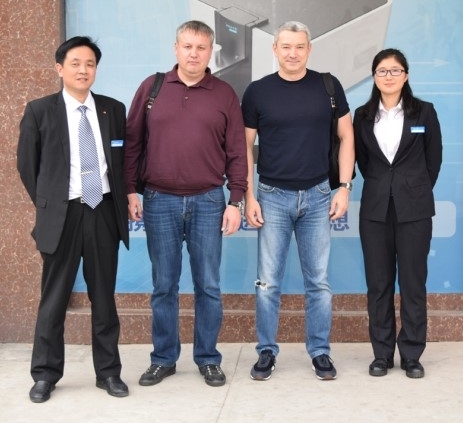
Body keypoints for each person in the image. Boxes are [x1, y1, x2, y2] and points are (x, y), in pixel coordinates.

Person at [124, 20, 247, 387]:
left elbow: (237, 151)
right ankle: (163, 359)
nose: (194, 54)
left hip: (209, 201)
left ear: (211, 52)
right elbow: (133, 142)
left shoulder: (224, 94)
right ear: (176, 48)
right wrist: (130, 190)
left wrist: (236, 200)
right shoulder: (152, 87)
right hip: (158, 200)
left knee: (208, 284)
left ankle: (208, 358)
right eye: (188, 46)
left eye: (201, 47)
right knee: (164, 285)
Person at [17, 36, 129, 403]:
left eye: (90, 64)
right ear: (59, 68)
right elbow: (28, 165)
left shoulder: (113, 110)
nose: (83, 70)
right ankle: (45, 375)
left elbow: (122, 162)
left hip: (102, 212)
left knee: (104, 299)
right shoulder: (40, 111)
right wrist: (49, 205)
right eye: (76, 63)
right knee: (54, 300)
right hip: (62, 216)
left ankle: (108, 372)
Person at [241, 21, 355, 381]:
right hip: (272, 197)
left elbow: (347, 135)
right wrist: (248, 195)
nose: (293, 53)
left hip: (319, 196)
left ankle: (320, 352)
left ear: (309, 49)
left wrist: (345, 187)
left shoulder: (328, 86)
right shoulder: (258, 92)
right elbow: (244, 146)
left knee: (318, 282)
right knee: (268, 283)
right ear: (275, 49)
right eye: (286, 46)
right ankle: (266, 351)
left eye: (300, 46)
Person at [353, 48, 442, 379]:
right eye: (382, 71)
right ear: (374, 77)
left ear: (406, 75)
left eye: (395, 70)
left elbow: (433, 159)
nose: (388, 76)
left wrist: (412, 189)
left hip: (414, 209)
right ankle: (382, 354)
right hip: (375, 210)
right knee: (378, 284)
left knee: (413, 283)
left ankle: (412, 354)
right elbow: (364, 162)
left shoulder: (424, 112)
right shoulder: (362, 116)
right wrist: (385, 186)